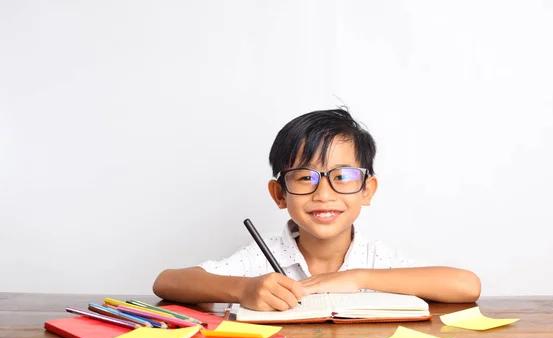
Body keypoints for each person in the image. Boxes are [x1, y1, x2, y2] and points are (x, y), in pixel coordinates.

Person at [153, 108, 481, 310]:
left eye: (342, 176)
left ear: (368, 190)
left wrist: (356, 279)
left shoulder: (376, 259)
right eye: (305, 177)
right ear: (279, 194)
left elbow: (467, 286)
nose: (323, 194)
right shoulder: (259, 257)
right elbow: (166, 282)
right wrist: (244, 289)